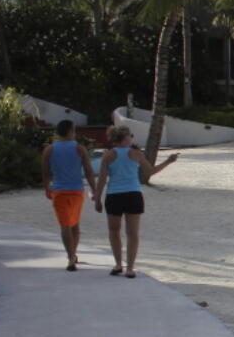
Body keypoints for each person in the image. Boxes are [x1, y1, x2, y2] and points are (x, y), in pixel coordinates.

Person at [94, 125, 178, 278]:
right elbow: (150, 172)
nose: (132, 138)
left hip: (114, 195)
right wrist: (168, 161)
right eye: (131, 135)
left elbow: (101, 180)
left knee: (114, 231)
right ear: (125, 138)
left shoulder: (108, 155)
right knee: (132, 233)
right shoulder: (136, 154)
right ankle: (130, 268)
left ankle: (118, 264)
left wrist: (97, 199)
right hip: (133, 194)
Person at [40, 119, 97, 271]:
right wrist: (94, 189)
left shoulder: (50, 149)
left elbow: (45, 172)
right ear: (71, 130)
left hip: (59, 191)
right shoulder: (80, 148)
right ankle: (73, 254)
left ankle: (71, 257)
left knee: (65, 226)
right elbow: (89, 171)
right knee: (75, 225)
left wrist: (47, 187)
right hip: (77, 191)